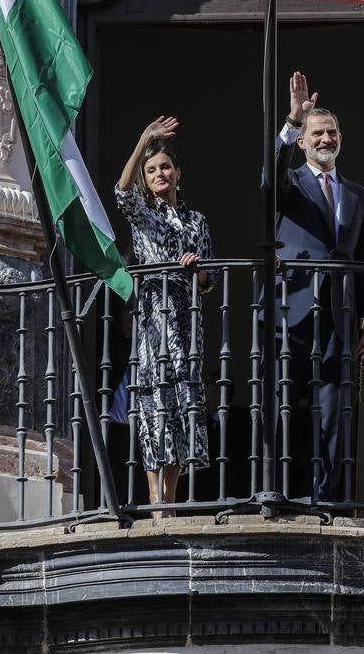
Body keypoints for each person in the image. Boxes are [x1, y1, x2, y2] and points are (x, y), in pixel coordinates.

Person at [274, 72, 364, 502]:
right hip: (291, 312)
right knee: (280, 409)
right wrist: (292, 121)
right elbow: (268, 178)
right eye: (317, 132)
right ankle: (275, 494)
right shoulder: (289, 184)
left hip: (341, 317)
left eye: (332, 131)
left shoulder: (359, 195)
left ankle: (328, 498)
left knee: (336, 412)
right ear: (303, 141)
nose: (326, 138)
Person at [115, 116, 213, 514]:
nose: (159, 174)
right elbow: (121, 194)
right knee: (155, 403)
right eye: (151, 170)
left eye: (165, 167)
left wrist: (196, 268)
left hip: (187, 319)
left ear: (178, 173)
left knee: (179, 404)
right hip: (155, 316)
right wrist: (143, 140)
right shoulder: (143, 214)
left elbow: (209, 278)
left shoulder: (197, 221)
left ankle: (168, 502)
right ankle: (156, 501)